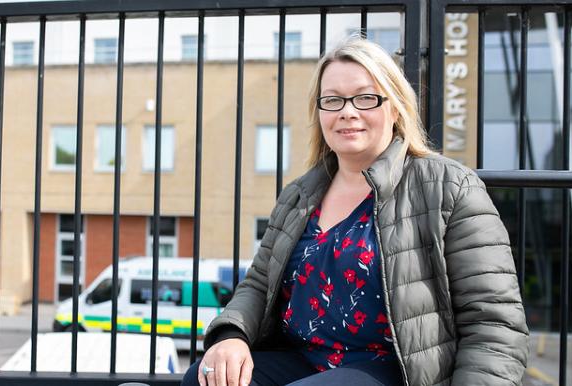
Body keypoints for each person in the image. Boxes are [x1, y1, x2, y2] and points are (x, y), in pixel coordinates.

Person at [182, 36, 529, 386]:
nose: (348, 112)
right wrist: (231, 336)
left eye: (365, 98)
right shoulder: (298, 195)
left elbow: (493, 324)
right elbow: (257, 286)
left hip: (395, 371)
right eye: (333, 100)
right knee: (205, 377)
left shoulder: (448, 187)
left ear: (394, 107)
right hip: (303, 361)